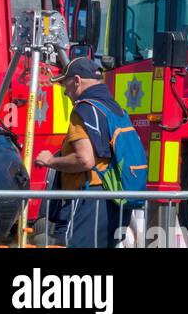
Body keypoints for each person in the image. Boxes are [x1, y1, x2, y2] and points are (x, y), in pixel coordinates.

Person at [35, 57, 141, 249]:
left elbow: (84, 160)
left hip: (90, 198)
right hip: (116, 197)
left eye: (64, 84)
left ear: (76, 80)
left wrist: (50, 161)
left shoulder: (83, 109)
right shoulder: (115, 108)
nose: (65, 91)